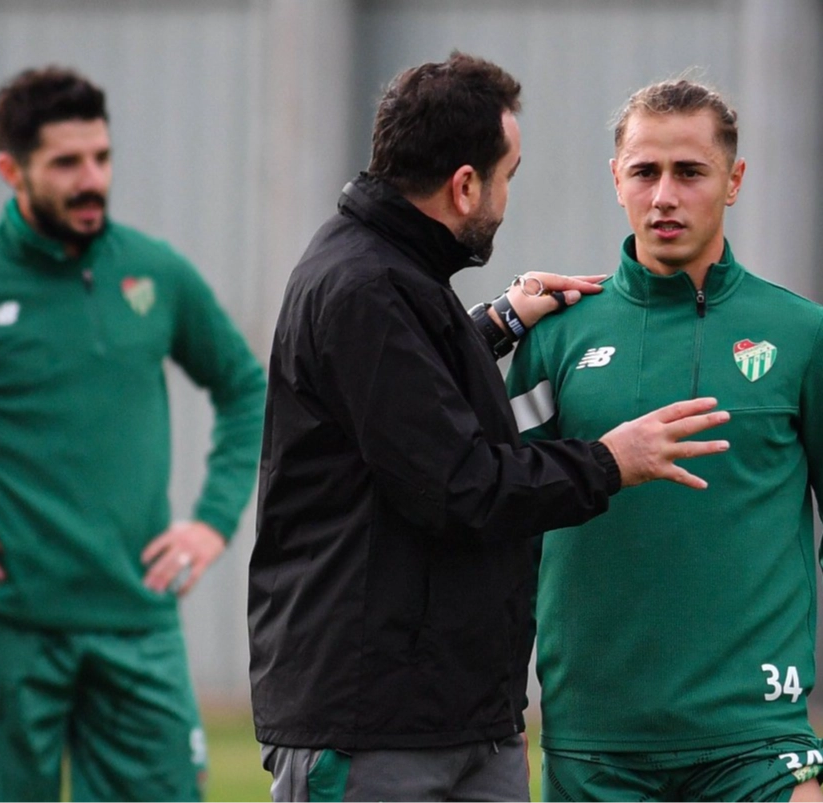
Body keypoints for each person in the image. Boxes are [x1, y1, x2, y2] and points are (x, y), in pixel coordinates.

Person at [248, 52, 734, 803]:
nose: (506, 201)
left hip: (460, 715)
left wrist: (497, 323)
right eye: (508, 176)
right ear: (465, 185)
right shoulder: (361, 286)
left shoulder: (397, 278)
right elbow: (461, 484)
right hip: (373, 725)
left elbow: (407, 398)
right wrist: (611, 460)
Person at [0, 66, 265, 802]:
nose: (91, 179)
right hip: (7, 631)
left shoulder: (155, 273)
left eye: (101, 157)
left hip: (138, 625)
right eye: (66, 163)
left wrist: (212, 522)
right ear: (12, 171)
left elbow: (245, 386)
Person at [507, 79, 823, 803]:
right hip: (596, 740)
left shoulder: (803, 334)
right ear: (616, 178)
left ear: (734, 181)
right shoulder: (554, 338)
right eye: (645, 172)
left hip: (756, 733)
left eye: (690, 172)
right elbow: (507, 520)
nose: (664, 197)